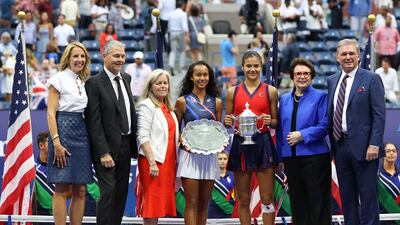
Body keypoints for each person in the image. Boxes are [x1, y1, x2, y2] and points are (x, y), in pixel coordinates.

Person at [327, 38, 386, 225]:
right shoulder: (332, 80)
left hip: (366, 149)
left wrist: (374, 144)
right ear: (337, 57)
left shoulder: (371, 78)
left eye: (351, 53)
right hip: (340, 146)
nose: (347, 57)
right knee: (347, 197)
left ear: (359, 57)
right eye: (343, 54)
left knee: (368, 198)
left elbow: (379, 115)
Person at [84, 40, 138, 225]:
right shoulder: (94, 83)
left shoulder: (127, 78)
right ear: (104, 56)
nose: (120, 59)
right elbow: (94, 122)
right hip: (106, 149)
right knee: (108, 192)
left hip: (126, 145)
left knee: (121, 193)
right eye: (116, 56)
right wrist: (103, 152)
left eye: (122, 56)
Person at [224, 50, 278, 225]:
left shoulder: (270, 91)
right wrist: (227, 120)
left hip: (263, 143)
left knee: (267, 197)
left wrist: (271, 121)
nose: (252, 69)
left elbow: (276, 122)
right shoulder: (232, 91)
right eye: (249, 66)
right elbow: (228, 122)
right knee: (244, 198)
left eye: (256, 66)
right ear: (242, 67)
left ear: (261, 67)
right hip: (241, 144)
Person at [276, 58, 331, 225]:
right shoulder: (284, 99)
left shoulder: (321, 97)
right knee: (297, 202)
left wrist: (302, 134)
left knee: (317, 201)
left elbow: (325, 125)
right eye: (298, 73)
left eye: (306, 73)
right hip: (291, 159)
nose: (302, 76)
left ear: (312, 76)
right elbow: (280, 130)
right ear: (292, 76)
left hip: (315, 157)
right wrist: (280, 156)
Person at [46, 42, 94, 225]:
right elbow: (51, 113)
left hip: (81, 133)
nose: (79, 60)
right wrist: (56, 142)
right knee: (61, 188)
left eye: (82, 56)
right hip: (62, 132)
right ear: (67, 58)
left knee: (81, 189)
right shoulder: (58, 78)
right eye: (75, 56)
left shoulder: (82, 81)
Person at [175, 61, 223, 225]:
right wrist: (181, 141)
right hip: (189, 158)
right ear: (191, 77)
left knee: (204, 203)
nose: (202, 78)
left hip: (209, 158)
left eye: (205, 75)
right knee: (192, 202)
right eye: (198, 75)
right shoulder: (182, 101)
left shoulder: (217, 102)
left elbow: (219, 131)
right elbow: (175, 131)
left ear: (209, 78)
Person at [136, 69, 178, 224]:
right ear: (151, 86)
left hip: (168, 163)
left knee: (159, 206)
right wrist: (152, 162)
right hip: (153, 163)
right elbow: (142, 136)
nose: (162, 86)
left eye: (165, 83)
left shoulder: (168, 108)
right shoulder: (146, 105)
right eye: (158, 83)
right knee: (152, 206)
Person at [208, 150, 235, 218]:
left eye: (225, 159)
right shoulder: (210, 175)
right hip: (212, 213)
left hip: (229, 211)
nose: (223, 161)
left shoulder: (233, 176)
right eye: (220, 159)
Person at [378, 142, 400, 225]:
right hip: (382, 220)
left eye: (394, 151)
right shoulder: (376, 175)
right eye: (388, 151)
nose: (391, 153)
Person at [168, 0, 189, 76]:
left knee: (173, 51)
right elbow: (185, 26)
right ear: (183, 6)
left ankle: (171, 65)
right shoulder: (183, 14)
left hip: (172, 32)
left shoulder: (171, 14)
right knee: (183, 51)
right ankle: (181, 67)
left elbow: (169, 24)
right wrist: (187, 36)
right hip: (180, 32)